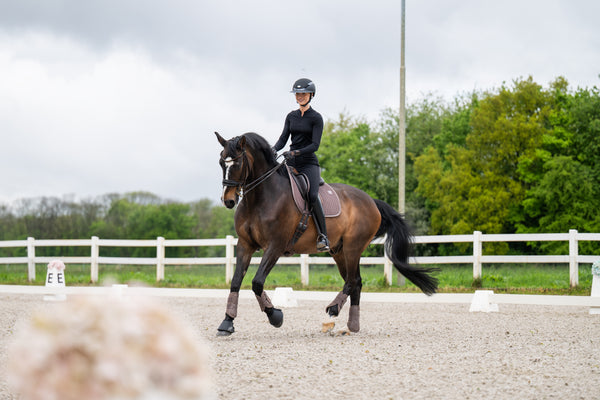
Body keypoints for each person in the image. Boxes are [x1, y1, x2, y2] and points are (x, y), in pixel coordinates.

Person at [272, 78, 330, 252]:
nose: (300, 97)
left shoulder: (316, 118)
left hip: (308, 163)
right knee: (275, 190)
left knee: (312, 195)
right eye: (298, 94)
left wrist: (296, 152)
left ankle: (323, 236)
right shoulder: (291, 116)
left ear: (311, 95)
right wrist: (272, 150)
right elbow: (283, 139)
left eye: (303, 94)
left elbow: (315, 145)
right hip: (290, 162)